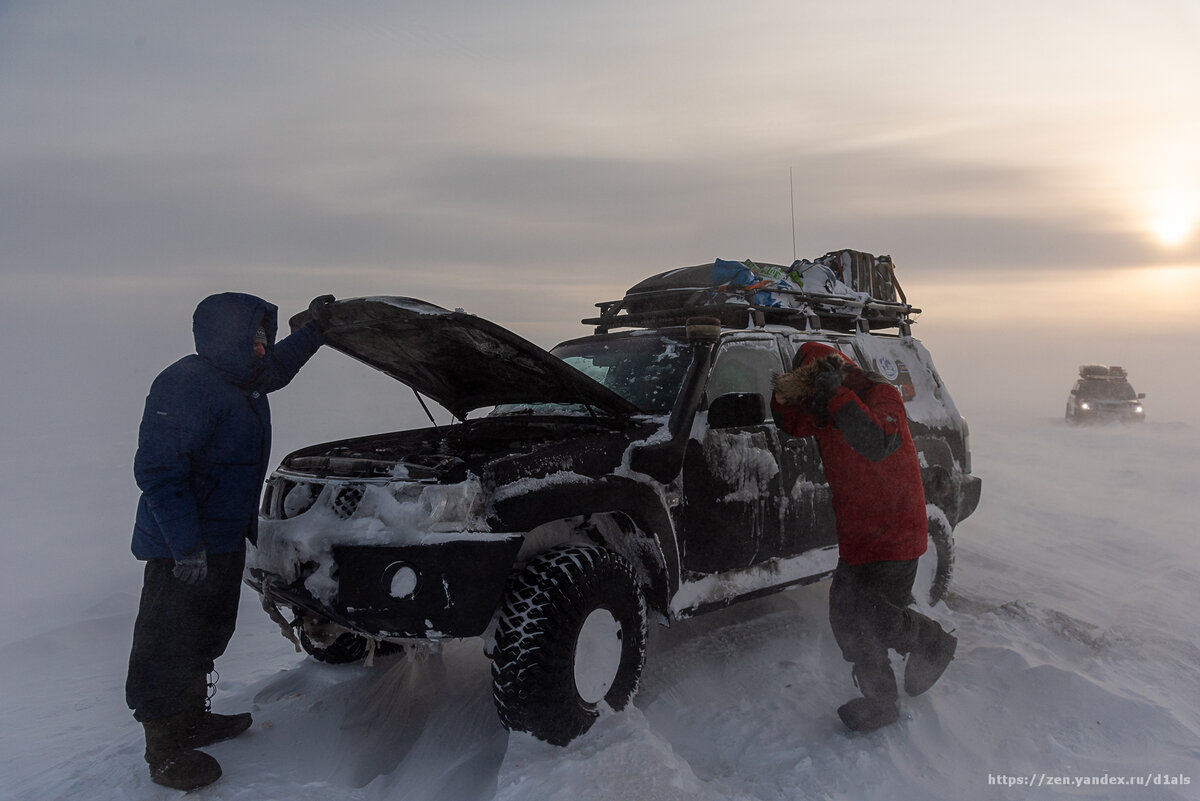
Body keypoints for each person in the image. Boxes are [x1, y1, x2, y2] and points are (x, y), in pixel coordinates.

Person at [125, 292, 334, 790]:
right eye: (254, 338)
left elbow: (278, 368)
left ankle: (193, 718)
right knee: (166, 643)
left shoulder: (244, 380)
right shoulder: (187, 385)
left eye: (265, 337)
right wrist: (185, 546)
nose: (263, 348)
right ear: (227, 337)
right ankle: (165, 748)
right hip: (179, 547)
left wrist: (317, 331)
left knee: (207, 631)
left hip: (221, 539)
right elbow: (158, 472)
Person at [771, 342, 957, 732]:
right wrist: (783, 392)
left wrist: (835, 392)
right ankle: (881, 697)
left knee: (871, 614)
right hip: (858, 532)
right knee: (846, 615)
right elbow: (792, 423)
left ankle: (929, 642)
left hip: (896, 528)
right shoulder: (825, 409)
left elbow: (877, 441)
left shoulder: (880, 394)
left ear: (838, 371)